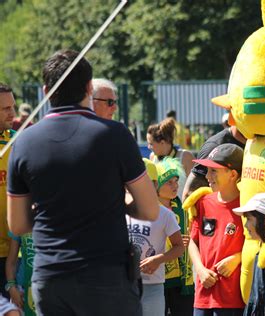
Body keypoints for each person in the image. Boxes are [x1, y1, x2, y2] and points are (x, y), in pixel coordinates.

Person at [6, 49, 159, 316]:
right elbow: (150, 209)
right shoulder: (115, 136)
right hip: (107, 275)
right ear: (89, 88)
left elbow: (17, 224)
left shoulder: (24, 143)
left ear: (45, 91)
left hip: (51, 277)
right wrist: (116, 205)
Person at [187, 143, 245, 315]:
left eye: (214, 171)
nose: (207, 176)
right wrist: (200, 269)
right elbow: (192, 241)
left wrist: (237, 258)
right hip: (202, 296)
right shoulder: (203, 202)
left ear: (233, 174)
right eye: (207, 170)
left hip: (232, 299)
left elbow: (258, 245)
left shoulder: (247, 206)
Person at [128, 158, 184, 316]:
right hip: (125, 285)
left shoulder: (165, 215)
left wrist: (158, 259)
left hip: (153, 286)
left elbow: (179, 247)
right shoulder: (119, 211)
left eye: (144, 183)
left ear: (154, 184)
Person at [150, 158, 194, 316]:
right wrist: (172, 245)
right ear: (157, 185)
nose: (175, 186)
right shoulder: (150, 210)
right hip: (158, 278)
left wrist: (188, 241)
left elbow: (189, 234)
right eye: (169, 182)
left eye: (176, 181)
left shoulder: (181, 207)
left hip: (183, 279)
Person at [182, 125, 246, 200]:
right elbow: (189, 194)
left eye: (213, 170)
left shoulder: (256, 142)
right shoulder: (214, 146)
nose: (207, 176)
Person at [147, 118, 194, 199]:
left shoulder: (186, 157)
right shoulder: (152, 157)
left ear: (162, 143)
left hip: (181, 210)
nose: (148, 147)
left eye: (151, 144)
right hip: (160, 210)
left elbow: (196, 187)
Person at [0, 83, 16, 299]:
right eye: (5, 108)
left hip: (15, 253)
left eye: (13, 106)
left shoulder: (18, 141)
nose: (13, 112)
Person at [5, 230, 35, 315]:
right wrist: (11, 288)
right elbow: (11, 261)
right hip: (21, 292)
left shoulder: (58, 221)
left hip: (49, 291)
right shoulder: (21, 220)